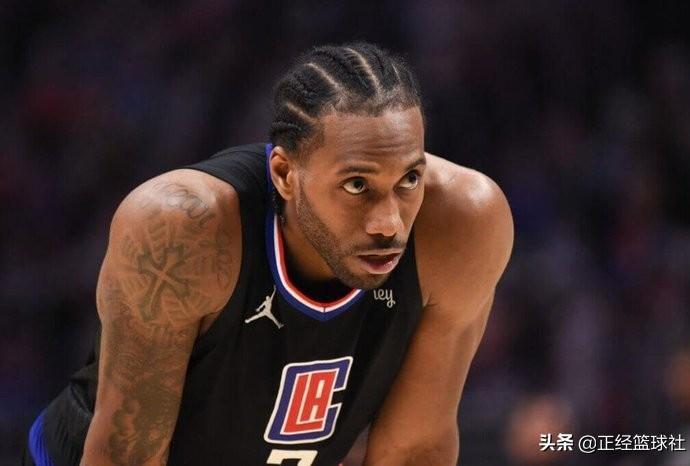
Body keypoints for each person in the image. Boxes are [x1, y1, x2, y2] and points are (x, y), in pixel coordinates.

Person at [24, 42, 513, 466]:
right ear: (283, 174)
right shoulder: (182, 229)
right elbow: (126, 456)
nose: (388, 223)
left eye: (409, 179)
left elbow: (415, 450)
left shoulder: (464, 223)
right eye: (356, 185)